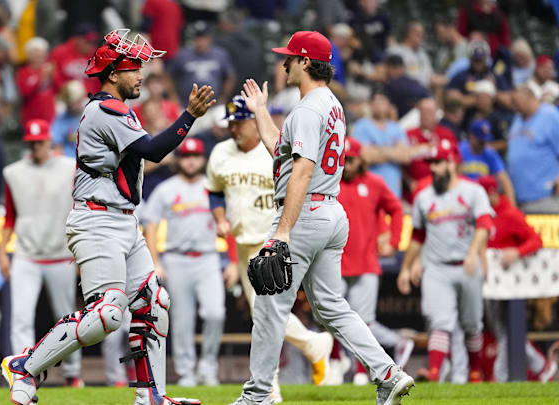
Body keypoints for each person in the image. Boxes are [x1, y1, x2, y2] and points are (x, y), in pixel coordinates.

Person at [0, 29, 215, 405]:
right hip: (97, 220)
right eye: (133, 68)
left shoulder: (118, 109)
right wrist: (189, 117)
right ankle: (26, 365)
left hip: (123, 220)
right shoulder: (105, 109)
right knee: (108, 314)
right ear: (112, 73)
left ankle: (151, 396)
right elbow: (154, 151)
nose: (140, 75)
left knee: (152, 302)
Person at [232, 31, 413, 405]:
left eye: (290, 58)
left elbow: (300, 170)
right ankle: (388, 373)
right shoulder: (329, 105)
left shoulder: (309, 109)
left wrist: (282, 231)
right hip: (329, 210)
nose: (284, 64)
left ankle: (258, 395)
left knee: (268, 306)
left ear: (304, 62)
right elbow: (280, 150)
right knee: (331, 307)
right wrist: (261, 111)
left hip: (304, 213)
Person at [206, 96, 334, 399]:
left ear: (255, 121)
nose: (234, 129)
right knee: (265, 316)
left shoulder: (274, 151)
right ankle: (312, 345)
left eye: (240, 122)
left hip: (272, 239)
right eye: (231, 123)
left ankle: (269, 388)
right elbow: (214, 192)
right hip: (243, 243)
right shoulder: (221, 152)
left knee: (265, 316)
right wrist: (221, 218)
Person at [397, 139, 494, 383]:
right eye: (431, 163)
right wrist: (406, 267)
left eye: (438, 163)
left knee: (472, 324)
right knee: (440, 321)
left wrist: (474, 252)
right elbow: (418, 236)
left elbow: (484, 224)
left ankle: (474, 373)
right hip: (437, 268)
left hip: (467, 265)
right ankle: (434, 374)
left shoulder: (473, 191)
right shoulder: (424, 196)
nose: (433, 168)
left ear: (452, 162)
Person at [0, 119, 83, 388]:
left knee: (65, 317)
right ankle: (23, 372)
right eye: (32, 143)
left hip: (61, 254)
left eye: (40, 142)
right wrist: (2, 252)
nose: (36, 147)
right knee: (21, 316)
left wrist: (81, 251)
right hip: (26, 254)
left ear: (50, 142)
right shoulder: (14, 172)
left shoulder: (70, 167)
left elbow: (80, 210)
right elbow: (10, 216)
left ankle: (72, 372)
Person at [143, 138, 225, 387]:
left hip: (209, 258)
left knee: (215, 314)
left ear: (202, 160)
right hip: (176, 258)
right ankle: (186, 372)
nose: (191, 160)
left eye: (196, 156)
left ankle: (208, 367)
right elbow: (151, 224)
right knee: (182, 320)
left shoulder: (212, 187)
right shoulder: (166, 189)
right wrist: (155, 261)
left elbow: (228, 223)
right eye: (186, 156)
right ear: (179, 160)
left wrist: (231, 260)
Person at [338, 137, 413, 386]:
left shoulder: (374, 183)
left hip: (366, 262)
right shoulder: (329, 182)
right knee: (330, 318)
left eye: (351, 160)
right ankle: (392, 342)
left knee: (363, 322)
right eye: (343, 159)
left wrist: (394, 240)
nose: (347, 164)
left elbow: (397, 209)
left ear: (361, 160)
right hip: (335, 262)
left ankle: (361, 369)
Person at [476, 175, 558, 383]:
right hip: (489, 282)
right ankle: (543, 366)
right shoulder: (482, 215)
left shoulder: (509, 213)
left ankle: (500, 376)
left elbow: (536, 240)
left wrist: (517, 252)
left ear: (493, 193)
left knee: (506, 332)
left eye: (484, 195)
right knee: (502, 331)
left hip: (511, 284)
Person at [506, 85, 559, 214]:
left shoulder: (550, 115)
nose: (514, 106)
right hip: (519, 200)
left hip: (546, 198)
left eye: (516, 101)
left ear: (529, 97)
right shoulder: (517, 119)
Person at [351, 91, 409, 197]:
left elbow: (406, 156)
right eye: (376, 102)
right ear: (370, 105)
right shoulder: (361, 126)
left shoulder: (396, 128)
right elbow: (366, 156)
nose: (379, 106)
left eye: (383, 102)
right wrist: (393, 151)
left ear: (389, 105)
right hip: (368, 190)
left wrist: (379, 150)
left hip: (393, 191)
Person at [168, 21, 235, 104]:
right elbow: (168, 76)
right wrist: (173, 96)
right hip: (186, 104)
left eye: (204, 37)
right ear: (193, 39)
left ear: (210, 38)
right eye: (198, 38)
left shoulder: (220, 54)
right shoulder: (182, 55)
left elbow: (230, 76)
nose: (201, 41)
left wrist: (224, 96)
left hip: (213, 105)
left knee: (222, 113)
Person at [404, 97, 458, 201]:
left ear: (436, 114)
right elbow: (400, 162)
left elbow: (456, 161)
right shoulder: (408, 134)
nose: (425, 115)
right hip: (414, 190)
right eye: (423, 111)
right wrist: (410, 182)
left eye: (429, 112)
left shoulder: (447, 134)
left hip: (443, 188)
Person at [458, 119, 515, 205]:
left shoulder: (490, 153)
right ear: (471, 136)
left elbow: (504, 179)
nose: (484, 144)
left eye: (485, 140)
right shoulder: (460, 150)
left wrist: (512, 205)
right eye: (480, 141)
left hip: (483, 198)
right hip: (463, 196)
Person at [15, 37, 58, 125]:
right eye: (35, 54)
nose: (39, 57)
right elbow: (25, 92)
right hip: (31, 117)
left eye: (42, 54)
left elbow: (60, 88)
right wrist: (41, 76)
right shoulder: (23, 72)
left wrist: (54, 75)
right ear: (28, 55)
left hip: (50, 117)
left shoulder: (51, 70)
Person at [49, 23, 101, 95]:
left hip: (90, 99)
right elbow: (53, 78)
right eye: (87, 42)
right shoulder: (59, 53)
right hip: (65, 99)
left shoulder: (98, 56)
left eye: (93, 42)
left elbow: (100, 82)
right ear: (77, 39)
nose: (91, 45)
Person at [387, 22, 433, 88]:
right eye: (419, 33)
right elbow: (392, 76)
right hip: (403, 92)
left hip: (424, 92)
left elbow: (431, 76)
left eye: (423, 33)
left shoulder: (423, 54)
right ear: (409, 34)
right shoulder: (395, 51)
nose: (423, 36)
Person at [383, 54, 430, 119]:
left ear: (390, 67)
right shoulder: (415, 82)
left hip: (407, 121)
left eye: (386, 67)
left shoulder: (391, 85)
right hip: (425, 116)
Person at [51, 80, 86, 157]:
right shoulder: (61, 119)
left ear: (81, 99)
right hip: (70, 162)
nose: (71, 107)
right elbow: (57, 146)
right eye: (69, 104)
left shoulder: (92, 114)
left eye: (75, 103)